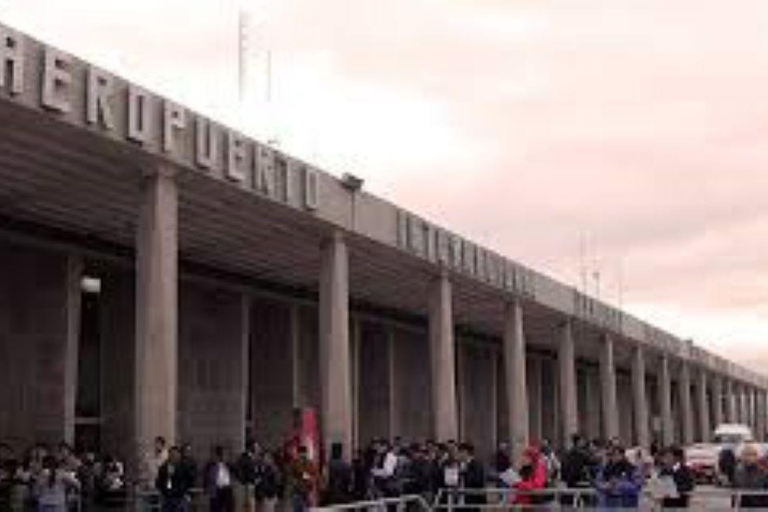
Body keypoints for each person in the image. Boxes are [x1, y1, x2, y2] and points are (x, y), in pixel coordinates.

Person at [594, 444, 642, 509]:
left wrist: (618, 484)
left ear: (622, 455)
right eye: (611, 455)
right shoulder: (605, 469)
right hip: (609, 505)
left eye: (615, 454)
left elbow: (637, 486)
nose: (613, 457)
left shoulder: (632, 469)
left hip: (627, 505)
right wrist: (605, 486)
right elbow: (598, 482)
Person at [156, 446, 193, 512]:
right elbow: (159, 481)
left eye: (175, 454)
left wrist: (183, 490)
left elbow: (189, 479)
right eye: (172, 454)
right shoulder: (163, 467)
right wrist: (164, 490)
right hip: (167, 497)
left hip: (179, 497)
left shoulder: (184, 467)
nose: (174, 457)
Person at [732, 443, 768, 508]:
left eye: (751, 455)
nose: (748, 458)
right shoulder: (738, 472)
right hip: (743, 507)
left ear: (756, 456)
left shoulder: (763, 473)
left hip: (759, 507)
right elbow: (735, 492)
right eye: (745, 455)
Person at [287, 446, 318, 512]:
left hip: (307, 490)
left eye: (304, 453)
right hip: (297, 490)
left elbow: (314, 474)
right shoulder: (295, 463)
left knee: (307, 508)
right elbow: (290, 476)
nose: (302, 455)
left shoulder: (309, 463)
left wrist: (307, 477)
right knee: (298, 508)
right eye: (301, 453)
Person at [203, 446, 234, 512]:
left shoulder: (228, 465)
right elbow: (206, 477)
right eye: (222, 454)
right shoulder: (211, 465)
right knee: (216, 509)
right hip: (216, 490)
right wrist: (206, 488)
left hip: (227, 489)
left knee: (228, 508)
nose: (223, 456)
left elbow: (235, 472)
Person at [458, 442, 486, 511]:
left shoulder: (476, 464)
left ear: (466, 452)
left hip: (472, 499)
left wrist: (465, 472)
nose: (459, 455)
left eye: (461, 452)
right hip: (460, 499)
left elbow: (477, 480)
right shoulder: (460, 465)